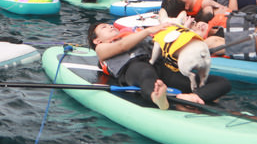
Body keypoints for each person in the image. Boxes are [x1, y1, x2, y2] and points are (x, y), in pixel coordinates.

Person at [87, 21, 231, 109]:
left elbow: (167, 48)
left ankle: (191, 97)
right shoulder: (101, 49)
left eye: (109, 24)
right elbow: (123, 46)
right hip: (133, 69)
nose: (110, 26)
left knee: (222, 82)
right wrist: (148, 30)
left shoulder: (135, 36)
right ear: (97, 41)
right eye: (104, 27)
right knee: (146, 74)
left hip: (161, 67)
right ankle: (160, 96)